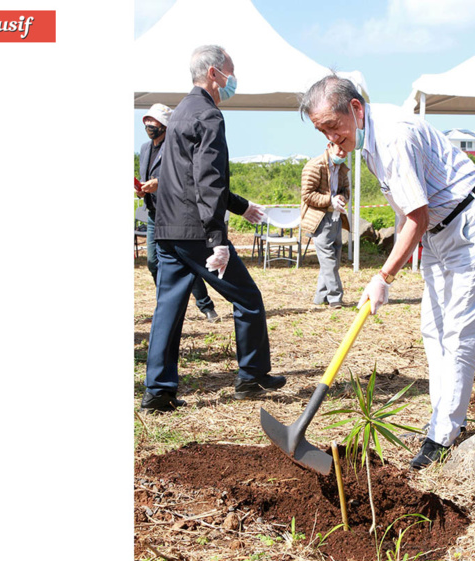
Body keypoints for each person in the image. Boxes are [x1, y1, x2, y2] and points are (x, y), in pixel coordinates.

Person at [300, 75, 475, 469]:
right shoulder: (368, 142)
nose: (329, 138)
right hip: (438, 231)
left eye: (333, 126)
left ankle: (442, 435)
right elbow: (412, 211)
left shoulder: (393, 137)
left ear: (356, 109)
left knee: (458, 331)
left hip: (471, 223)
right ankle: (444, 417)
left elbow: (416, 215)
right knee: (433, 326)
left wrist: (384, 276)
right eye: (321, 131)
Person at [141, 45, 286, 411]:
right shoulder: (209, 116)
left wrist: (241, 206)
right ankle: (251, 377)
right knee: (248, 299)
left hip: (168, 228)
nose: (232, 80)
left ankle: (158, 392)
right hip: (198, 232)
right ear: (213, 74)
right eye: (230, 72)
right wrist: (218, 239)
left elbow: (187, 178)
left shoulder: (179, 115)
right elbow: (209, 179)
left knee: (167, 309)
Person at [136, 103, 220, 322]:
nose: (148, 124)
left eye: (153, 121)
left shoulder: (176, 147)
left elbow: (185, 177)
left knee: (186, 262)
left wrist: (159, 184)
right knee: (154, 263)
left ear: (165, 125)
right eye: (146, 120)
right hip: (155, 213)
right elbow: (148, 177)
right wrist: (142, 190)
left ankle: (205, 305)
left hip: (174, 214)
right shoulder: (145, 149)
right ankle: (168, 303)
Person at [300, 142, 350, 308]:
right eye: (340, 149)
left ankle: (320, 297)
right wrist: (330, 200)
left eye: (346, 150)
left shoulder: (342, 168)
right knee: (328, 259)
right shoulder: (314, 165)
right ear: (329, 146)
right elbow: (307, 195)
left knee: (333, 258)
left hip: (336, 216)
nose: (343, 153)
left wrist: (342, 198)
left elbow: (346, 191)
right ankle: (336, 297)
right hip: (320, 218)